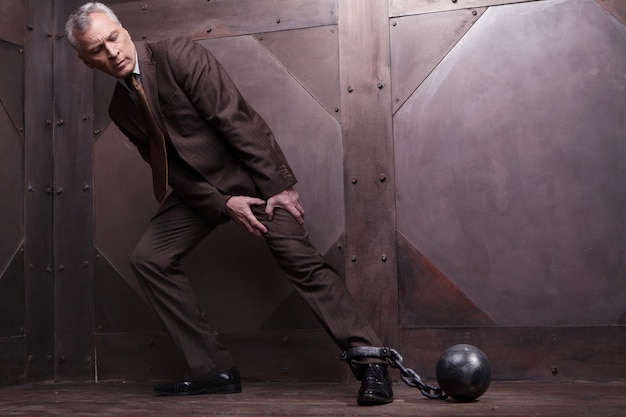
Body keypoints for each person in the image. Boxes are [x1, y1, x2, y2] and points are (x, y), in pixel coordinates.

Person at [65, 2, 393, 406]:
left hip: (250, 177)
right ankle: (212, 370)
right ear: (86, 60)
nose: (111, 52)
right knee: (149, 258)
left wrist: (278, 186)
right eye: (97, 49)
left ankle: (371, 361)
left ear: (124, 30)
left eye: (112, 38)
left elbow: (234, 118)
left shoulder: (176, 55)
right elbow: (165, 167)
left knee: (301, 263)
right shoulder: (120, 108)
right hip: (201, 193)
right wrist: (222, 204)